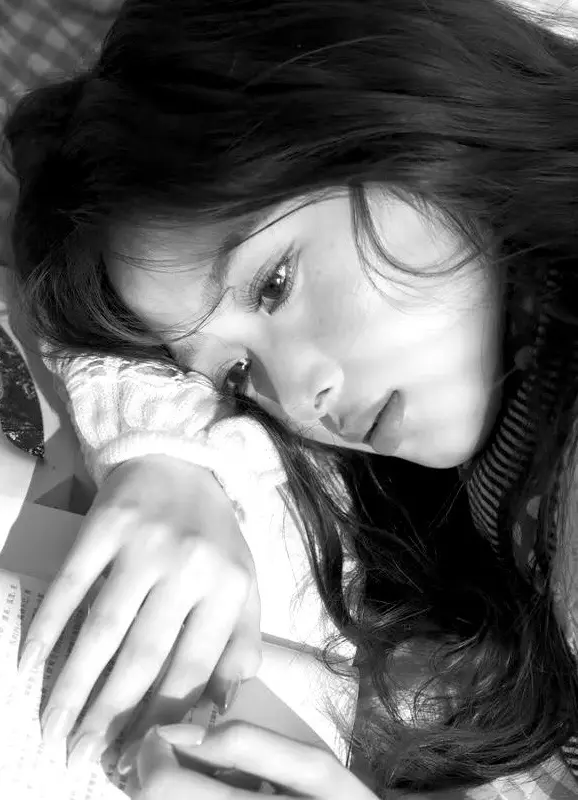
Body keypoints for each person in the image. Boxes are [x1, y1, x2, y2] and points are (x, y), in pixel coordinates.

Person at [4, 0, 578, 797]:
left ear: (388, 106)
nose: (300, 400)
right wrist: (168, 459)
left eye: (275, 283)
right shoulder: (477, 475)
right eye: (236, 377)